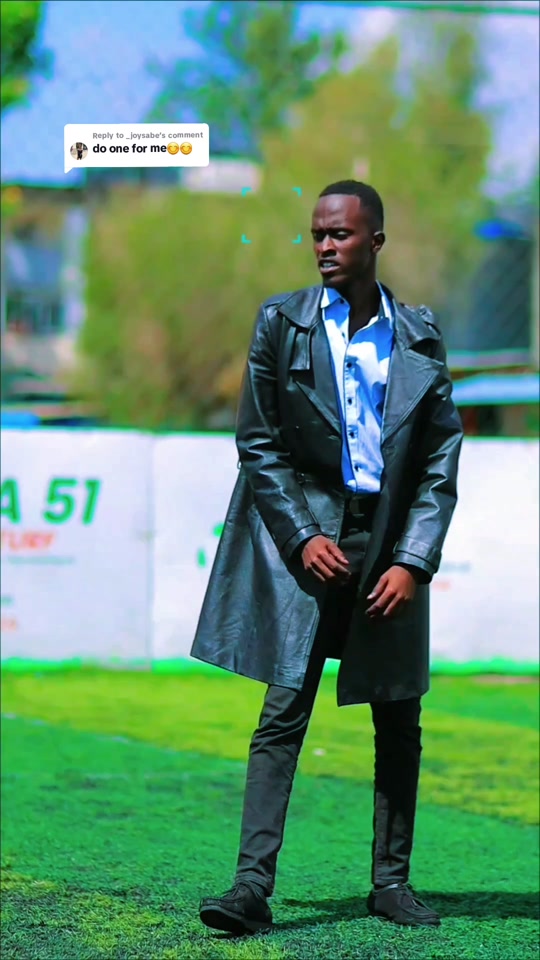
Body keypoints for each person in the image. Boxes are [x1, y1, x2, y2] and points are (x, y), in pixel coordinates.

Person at [191, 180, 463, 936]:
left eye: (339, 234)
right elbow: (259, 443)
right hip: (307, 546)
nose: (324, 246)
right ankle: (250, 888)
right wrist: (301, 536)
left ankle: (391, 884)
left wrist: (413, 560)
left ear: (375, 241)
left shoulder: (420, 335)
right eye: (316, 234)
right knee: (282, 715)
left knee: (398, 717)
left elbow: (439, 457)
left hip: (388, 547)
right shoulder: (281, 323)